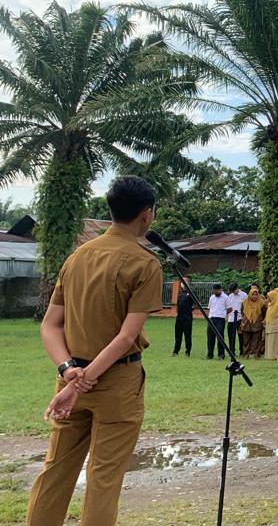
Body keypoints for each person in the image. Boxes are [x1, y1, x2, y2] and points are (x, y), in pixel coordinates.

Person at [27, 175, 163, 526]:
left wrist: (68, 372)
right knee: (104, 478)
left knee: (55, 470)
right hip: (115, 383)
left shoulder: (77, 257)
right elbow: (124, 337)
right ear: (146, 215)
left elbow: (50, 326)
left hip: (70, 379)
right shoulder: (145, 263)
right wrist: (80, 382)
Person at [240, 285, 267, 358]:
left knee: (256, 341)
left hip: (257, 324)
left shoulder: (262, 303)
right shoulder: (244, 302)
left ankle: (255, 355)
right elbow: (242, 313)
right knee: (246, 341)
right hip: (246, 324)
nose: (254, 296)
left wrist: (261, 320)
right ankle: (245, 355)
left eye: (256, 294)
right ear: (249, 294)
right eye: (253, 294)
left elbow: (264, 313)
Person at [172, 275, 194, 357]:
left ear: (189, 282)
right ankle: (175, 351)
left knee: (187, 336)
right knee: (178, 335)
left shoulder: (191, 293)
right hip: (179, 318)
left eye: (186, 281)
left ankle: (187, 352)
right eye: (183, 281)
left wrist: (190, 310)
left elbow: (196, 305)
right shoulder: (180, 294)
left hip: (187, 318)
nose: (183, 282)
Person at [206, 284, 227, 359]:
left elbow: (230, 308)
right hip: (211, 318)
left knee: (220, 337)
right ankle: (210, 354)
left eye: (216, 291)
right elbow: (209, 308)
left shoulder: (225, 297)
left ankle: (221, 355)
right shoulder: (212, 297)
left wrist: (224, 315)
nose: (214, 292)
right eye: (213, 291)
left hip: (220, 319)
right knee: (210, 337)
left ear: (220, 290)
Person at [224, 282, 246, 356]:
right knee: (231, 336)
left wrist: (244, 319)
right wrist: (226, 317)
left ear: (237, 288)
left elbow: (246, 308)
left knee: (241, 336)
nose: (233, 292)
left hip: (240, 318)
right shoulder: (230, 296)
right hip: (231, 319)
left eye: (234, 290)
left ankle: (242, 351)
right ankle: (232, 351)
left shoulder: (244, 295)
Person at [263, 289, 278, 360]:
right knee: (269, 340)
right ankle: (269, 355)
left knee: (275, 341)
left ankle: (275, 355)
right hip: (269, 325)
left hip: (275, 324)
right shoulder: (270, 305)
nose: (268, 299)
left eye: (269, 297)